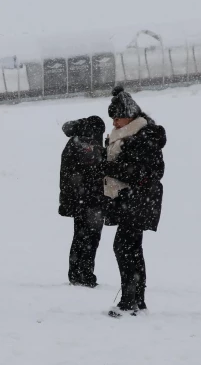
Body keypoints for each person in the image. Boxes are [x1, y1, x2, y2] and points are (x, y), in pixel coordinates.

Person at [102, 86, 166, 316]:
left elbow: (144, 172)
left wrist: (106, 167)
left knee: (125, 248)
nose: (115, 122)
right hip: (132, 200)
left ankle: (130, 302)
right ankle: (136, 300)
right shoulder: (127, 136)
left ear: (130, 115)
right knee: (131, 249)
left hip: (139, 200)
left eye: (118, 117)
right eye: (113, 118)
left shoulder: (142, 137)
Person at [59, 116, 107, 287]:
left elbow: (66, 176)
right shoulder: (87, 146)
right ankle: (86, 274)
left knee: (80, 236)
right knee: (91, 238)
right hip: (91, 200)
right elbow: (97, 172)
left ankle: (75, 273)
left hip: (78, 200)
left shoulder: (74, 142)